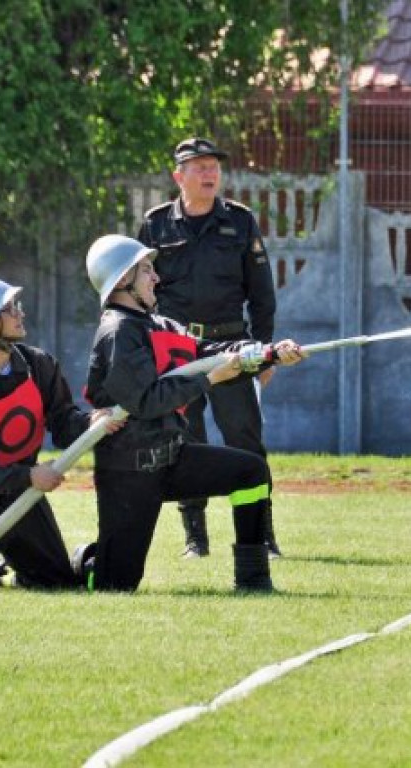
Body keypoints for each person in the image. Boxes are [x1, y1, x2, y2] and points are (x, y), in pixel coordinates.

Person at [83, 234, 303, 592]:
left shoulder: (158, 324)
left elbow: (209, 350)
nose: (156, 278)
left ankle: (253, 580)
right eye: (146, 271)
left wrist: (268, 353)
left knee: (251, 471)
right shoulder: (118, 332)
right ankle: (86, 563)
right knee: (115, 585)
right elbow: (147, 401)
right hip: (129, 477)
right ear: (124, 280)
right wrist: (211, 379)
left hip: (172, 460)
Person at [137, 136, 281, 560]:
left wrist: (265, 351)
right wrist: (148, 349)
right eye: (198, 167)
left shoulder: (240, 221)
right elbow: (143, 291)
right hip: (178, 350)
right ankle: (195, 539)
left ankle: (260, 536)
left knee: (245, 441)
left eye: (213, 165)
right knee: (185, 441)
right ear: (178, 176)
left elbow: (262, 293)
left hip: (231, 345)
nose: (209, 173)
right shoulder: (156, 224)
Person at [0, 276, 120, 590]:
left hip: (24, 496)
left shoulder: (39, 366)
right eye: (10, 309)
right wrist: (29, 476)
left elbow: (63, 423)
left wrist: (89, 422)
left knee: (57, 582)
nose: (20, 313)